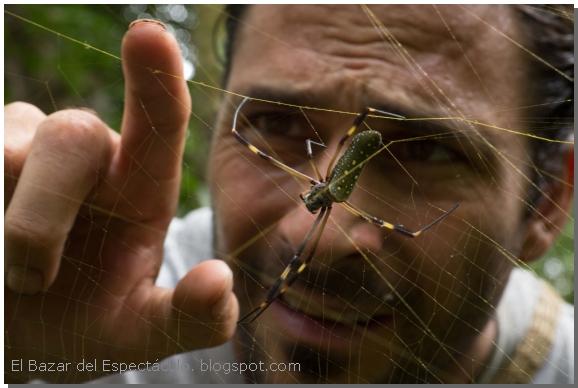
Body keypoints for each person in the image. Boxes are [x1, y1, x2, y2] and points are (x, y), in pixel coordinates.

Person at [4, 4, 574, 384]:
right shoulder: (115, 287)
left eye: (427, 151)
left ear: (545, 202)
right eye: (275, 121)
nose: (310, 238)